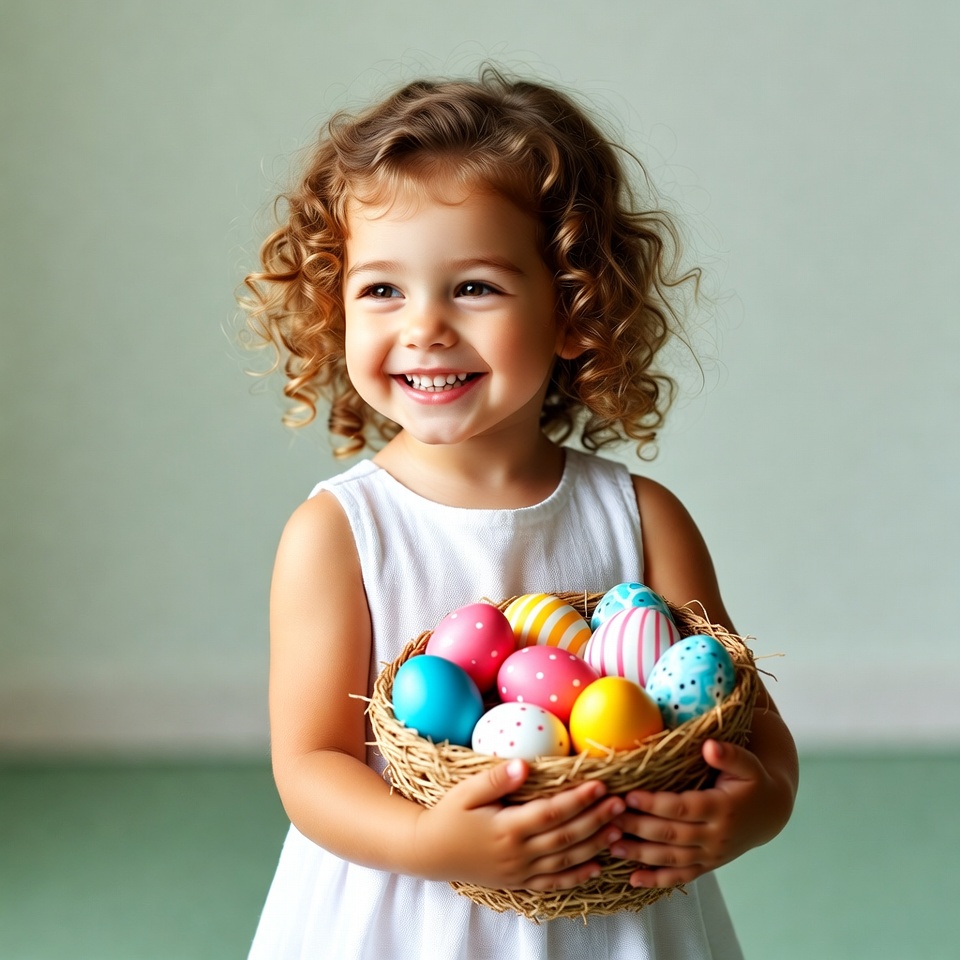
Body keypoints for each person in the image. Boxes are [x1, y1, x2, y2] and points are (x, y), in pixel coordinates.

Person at [240, 67, 799, 960]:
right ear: (333, 308)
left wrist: (750, 810)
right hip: (406, 912)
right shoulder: (340, 533)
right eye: (382, 290)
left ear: (575, 311)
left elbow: (751, 728)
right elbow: (311, 765)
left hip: (608, 906)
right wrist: (430, 842)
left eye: (474, 288)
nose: (424, 326)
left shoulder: (642, 517)